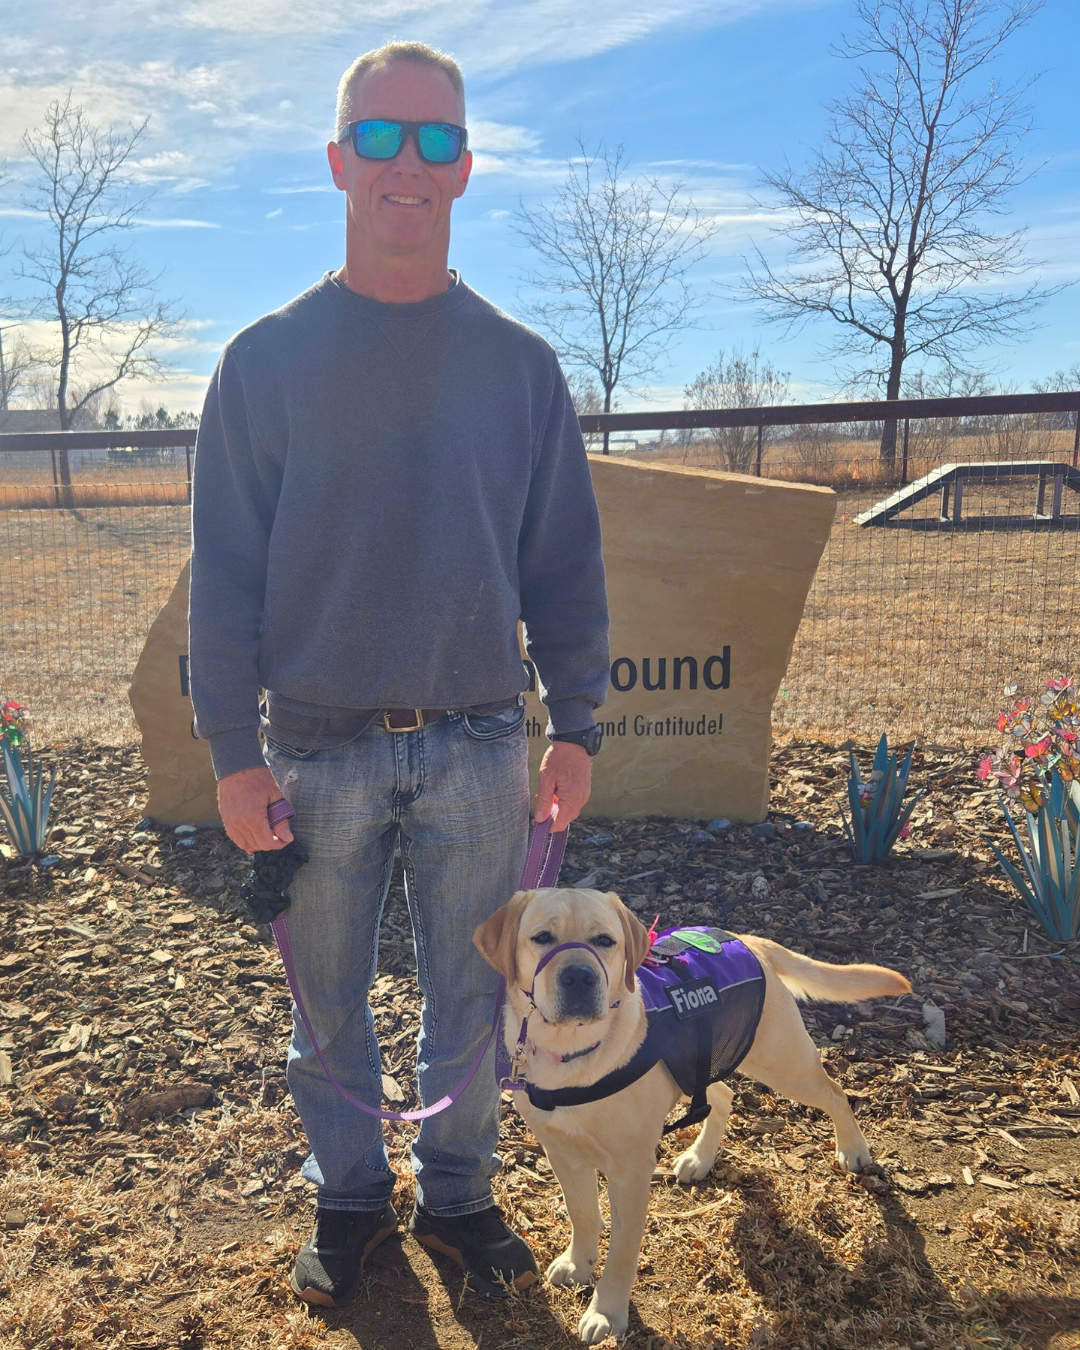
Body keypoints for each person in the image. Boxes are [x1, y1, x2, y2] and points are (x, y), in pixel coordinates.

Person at [188, 41, 609, 1308]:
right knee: (328, 1007)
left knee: (476, 998)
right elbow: (226, 580)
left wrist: (576, 721)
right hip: (313, 752)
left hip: (483, 742)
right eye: (380, 137)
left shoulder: (521, 368)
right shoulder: (264, 362)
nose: (406, 164)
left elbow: (564, 565)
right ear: (337, 162)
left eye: (434, 140)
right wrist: (231, 751)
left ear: (468, 168)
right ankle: (352, 1198)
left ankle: (463, 1195)